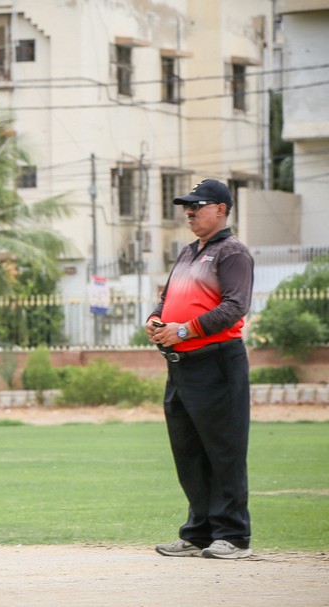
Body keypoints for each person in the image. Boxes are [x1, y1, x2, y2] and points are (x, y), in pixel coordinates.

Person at [145, 178, 254, 560]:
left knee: (223, 452)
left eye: (197, 205)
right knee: (189, 453)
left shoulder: (233, 252)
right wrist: (155, 319)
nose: (189, 212)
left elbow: (234, 307)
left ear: (221, 209)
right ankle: (199, 532)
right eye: (186, 206)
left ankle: (233, 536)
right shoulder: (189, 252)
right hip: (181, 366)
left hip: (217, 363)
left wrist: (184, 330)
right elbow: (166, 299)